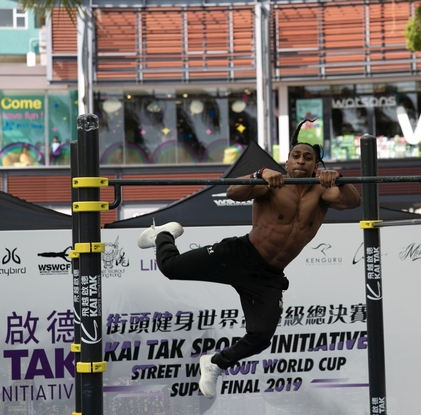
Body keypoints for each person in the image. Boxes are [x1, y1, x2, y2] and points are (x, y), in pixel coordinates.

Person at [136, 119, 361, 399]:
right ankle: (163, 234)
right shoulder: (272, 184)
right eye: (296, 156)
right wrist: (258, 174)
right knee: (170, 267)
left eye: (308, 158)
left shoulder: (322, 192)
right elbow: (232, 192)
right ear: (287, 162)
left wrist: (341, 180)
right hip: (240, 255)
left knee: (261, 336)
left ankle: (215, 363)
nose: (301, 161)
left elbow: (353, 202)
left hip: (268, 276)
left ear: (316, 165)